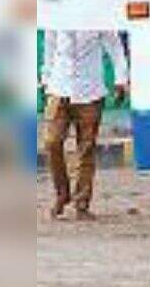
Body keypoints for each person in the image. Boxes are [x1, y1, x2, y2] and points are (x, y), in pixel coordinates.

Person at [41, 30, 128, 220]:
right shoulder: (56, 10)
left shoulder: (95, 13)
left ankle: (82, 203)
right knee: (51, 142)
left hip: (90, 90)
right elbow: (49, 47)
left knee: (86, 148)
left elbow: (114, 46)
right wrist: (46, 79)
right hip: (59, 87)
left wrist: (121, 80)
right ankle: (62, 194)